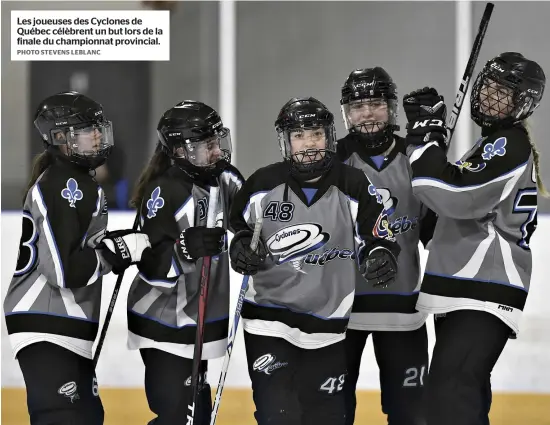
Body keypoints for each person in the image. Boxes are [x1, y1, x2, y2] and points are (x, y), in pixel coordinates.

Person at [228, 97, 401, 425]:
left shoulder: (352, 183)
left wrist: (381, 253)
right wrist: (239, 247)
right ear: (286, 141)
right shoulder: (262, 185)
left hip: (329, 326)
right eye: (299, 136)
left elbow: (376, 235)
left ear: (330, 137)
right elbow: (239, 227)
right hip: (269, 320)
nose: (309, 144)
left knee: (328, 418)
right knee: (278, 415)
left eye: (317, 135)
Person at [402, 52, 546, 425]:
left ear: (522, 104)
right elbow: (455, 210)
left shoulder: (507, 145)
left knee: (451, 398)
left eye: (503, 93)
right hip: (468, 289)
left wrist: (424, 139)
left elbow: (453, 193)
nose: (488, 97)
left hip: (482, 291)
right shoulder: (491, 145)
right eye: (490, 87)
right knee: (461, 398)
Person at [3, 91, 151, 425]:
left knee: (85, 416)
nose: (98, 135)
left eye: (98, 127)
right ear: (60, 137)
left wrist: (116, 246)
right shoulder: (62, 183)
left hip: (61, 325)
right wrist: (117, 253)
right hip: (47, 322)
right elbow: (62, 271)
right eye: (87, 129)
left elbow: (82, 246)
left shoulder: (76, 181)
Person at [126, 100, 244, 425]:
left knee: (196, 418)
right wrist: (183, 248)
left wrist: (249, 239)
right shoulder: (165, 191)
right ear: (180, 150)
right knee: (179, 417)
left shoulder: (222, 179)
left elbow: (249, 216)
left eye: (217, 141)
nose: (217, 151)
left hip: (195, 321)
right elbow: (149, 261)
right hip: (165, 322)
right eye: (207, 145)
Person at [337, 67, 437, 425]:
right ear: (346, 113)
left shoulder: (418, 159)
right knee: (332, 413)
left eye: (376, 103)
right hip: (342, 313)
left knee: (411, 414)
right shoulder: (332, 162)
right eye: (358, 105)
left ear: (392, 108)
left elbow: (434, 233)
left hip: (403, 311)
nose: (367, 113)